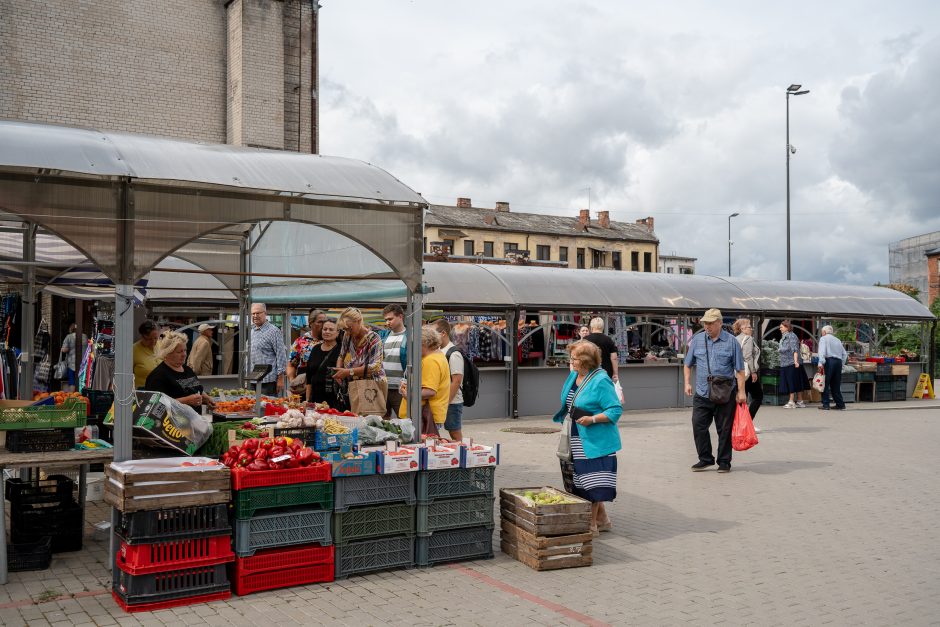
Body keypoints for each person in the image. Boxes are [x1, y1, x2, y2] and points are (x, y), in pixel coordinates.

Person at [552, 340, 622, 536]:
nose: (570, 362)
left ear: (585, 361)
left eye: (573, 359)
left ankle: (591, 525)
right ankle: (603, 519)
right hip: (575, 436)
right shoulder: (574, 375)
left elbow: (615, 410)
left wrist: (592, 419)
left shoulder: (601, 380)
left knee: (591, 482)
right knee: (578, 481)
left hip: (595, 440)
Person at [684, 308, 746, 473]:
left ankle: (724, 461)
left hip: (725, 393)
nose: (707, 326)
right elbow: (687, 364)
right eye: (705, 323)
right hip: (702, 392)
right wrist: (687, 383)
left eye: (711, 323)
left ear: (719, 322)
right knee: (698, 425)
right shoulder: (697, 340)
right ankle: (705, 458)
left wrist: (741, 392)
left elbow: (740, 369)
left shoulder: (732, 342)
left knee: (724, 429)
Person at [399, 327, 451, 436]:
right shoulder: (439, 356)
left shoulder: (430, 361)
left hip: (424, 416)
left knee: (419, 448)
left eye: (415, 343)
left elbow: (430, 391)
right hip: (428, 415)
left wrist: (409, 394)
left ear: (423, 343)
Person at [145, 331, 215, 410]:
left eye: (185, 350)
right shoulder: (157, 376)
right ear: (167, 353)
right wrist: (186, 401)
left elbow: (197, 389)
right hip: (172, 422)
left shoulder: (188, 370)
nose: (184, 354)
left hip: (193, 420)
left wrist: (206, 399)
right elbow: (156, 405)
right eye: (179, 352)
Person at [332, 307, 386, 408]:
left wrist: (348, 372)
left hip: (371, 386)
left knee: (369, 418)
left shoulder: (374, 338)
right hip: (354, 384)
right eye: (345, 329)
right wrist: (339, 371)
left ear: (359, 321)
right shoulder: (347, 336)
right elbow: (341, 355)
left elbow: (375, 367)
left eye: (349, 328)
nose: (347, 331)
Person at [431, 318, 464, 441]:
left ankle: (462, 455)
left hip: (452, 402)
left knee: (454, 432)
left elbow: (456, 381)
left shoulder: (454, 353)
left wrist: (446, 402)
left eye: (434, 333)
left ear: (443, 333)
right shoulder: (437, 351)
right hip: (441, 401)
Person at [249, 303, 287, 396]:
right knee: (253, 407)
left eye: (258, 313)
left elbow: (281, 355)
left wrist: (280, 378)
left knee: (266, 408)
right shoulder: (252, 330)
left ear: (265, 313)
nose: (255, 316)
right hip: (253, 378)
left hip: (268, 381)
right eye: (253, 313)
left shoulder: (273, 331)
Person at [286, 308, 327, 395]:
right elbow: (291, 364)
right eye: (320, 322)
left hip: (324, 386)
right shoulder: (301, 342)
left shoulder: (331, 341)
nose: (324, 324)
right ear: (311, 323)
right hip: (303, 385)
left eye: (325, 321)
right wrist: (293, 381)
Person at [733, 318, 763, 433]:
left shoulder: (735, 339)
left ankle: (740, 425)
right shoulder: (748, 339)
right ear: (743, 329)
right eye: (749, 326)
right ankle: (747, 423)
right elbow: (747, 357)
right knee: (758, 396)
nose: (752, 328)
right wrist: (754, 372)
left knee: (741, 398)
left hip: (737, 372)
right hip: (747, 372)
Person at [379, 304, 408, 419]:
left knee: (404, 420)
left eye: (390, 319)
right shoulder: (383, 336)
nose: (387, 322)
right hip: (383, 387)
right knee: (382, 421)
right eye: (386, 320)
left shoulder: (410, 336)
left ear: (400, 317)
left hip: (400, 388)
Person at [305, 318, 342, 407]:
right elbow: (309, 377)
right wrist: (307, 399)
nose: (327, 332)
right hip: (315, 398)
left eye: (331, 329)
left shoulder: (342, 350)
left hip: (334, 400)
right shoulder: (315, 349)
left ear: (337, 333)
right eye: (325, 329)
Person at [817, 325, 848, 411]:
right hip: (838, 362)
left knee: (825, 384)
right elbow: (845, 354)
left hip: (829, 362)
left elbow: (822, 352)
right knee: (836, 384)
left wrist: (820, 363)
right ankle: (840, 404)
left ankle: (826, 404)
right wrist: (841, 364)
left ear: (824, 332)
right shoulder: (837, 340)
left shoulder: (823, 339)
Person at [778, 320, 807, 409]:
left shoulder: (791, 336)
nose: (780, 329)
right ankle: (799, 401)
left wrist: (796, 362)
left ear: (787, 327)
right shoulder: (785, 336)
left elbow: (794, 349)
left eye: (781, 327)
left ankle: (791, 401)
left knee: (792, 382)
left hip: (791, 362)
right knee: (796, 381)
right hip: (786, 362)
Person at [584, 317, 619, 383]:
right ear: (602, 327)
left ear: (592, 326)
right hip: (606, 371)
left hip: (588, 371)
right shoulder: (608, 340)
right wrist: (615, 373)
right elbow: (614, 358)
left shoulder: (585, 340)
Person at [59, 322, 88, 392]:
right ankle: (81, 396)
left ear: (71, 329)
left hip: (72, 363)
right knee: (82, 381)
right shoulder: (85, 336)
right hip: (84, 362)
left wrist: (63, 349)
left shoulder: (69, 337)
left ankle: (72, 397)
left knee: (72, 382)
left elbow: (64, 349)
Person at [133, 320, 162, 389]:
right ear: (142, 336)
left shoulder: (161, 345)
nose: (153, 342)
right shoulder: (134, 350)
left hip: (161, 389)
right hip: (143, 390)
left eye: (155, 338)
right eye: (149, 339)